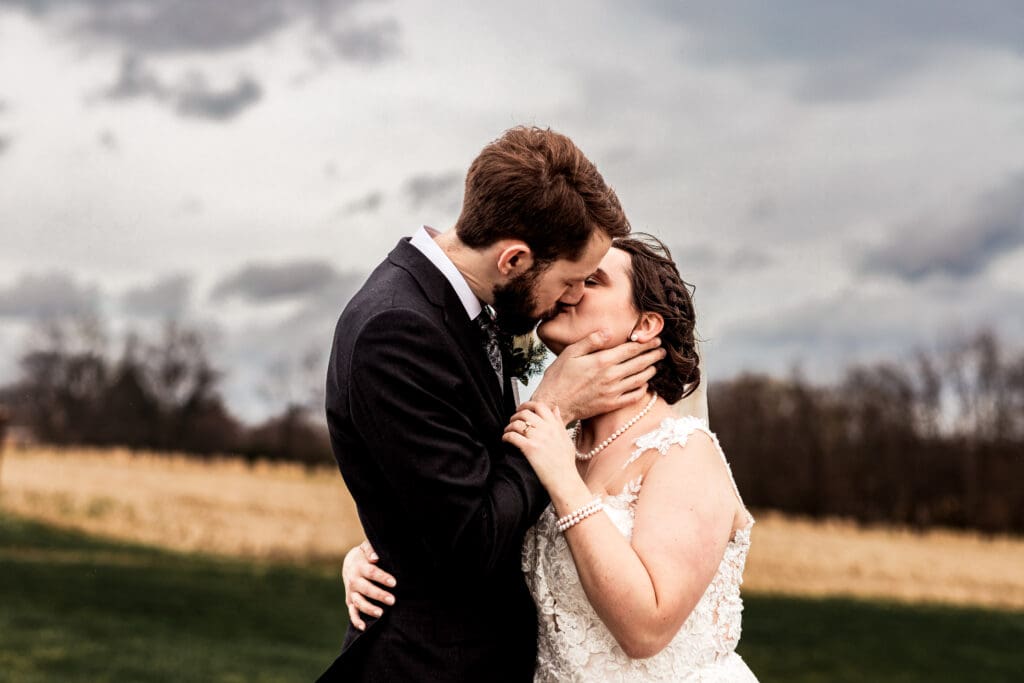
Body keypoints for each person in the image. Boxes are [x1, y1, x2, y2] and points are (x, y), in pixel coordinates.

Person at [317, 126, 666, 682]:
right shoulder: (397, 329)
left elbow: (446, 482)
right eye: (571, 280)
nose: (573, 298)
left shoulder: (467, 308)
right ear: (514, 260)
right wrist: (551, 407)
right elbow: (470, 539)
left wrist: (382, 541)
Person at [345, 235, 759, 681]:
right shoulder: (553, 438)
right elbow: (469, 525)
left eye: (593, 281)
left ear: (645, 326)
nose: (571, 292)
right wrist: (373, 556)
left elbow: (647, 630)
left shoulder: (682, 452)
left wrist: (562, 479)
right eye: (574, 279)